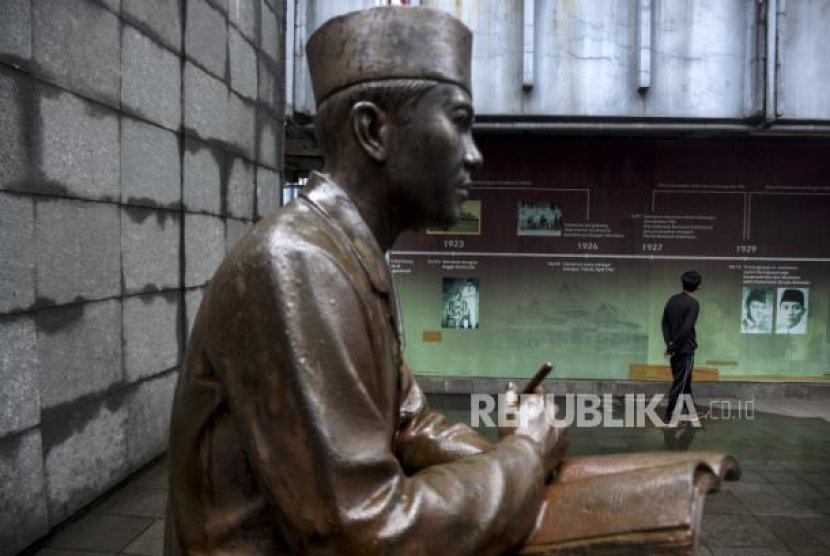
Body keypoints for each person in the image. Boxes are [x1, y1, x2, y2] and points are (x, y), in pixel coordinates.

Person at [164, 7, 567, 556]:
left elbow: (408, 423)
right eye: (460, 120)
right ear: (374, 130)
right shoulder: (295, 263)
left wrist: (519, 449)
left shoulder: (346, 255)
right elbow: (363, 531)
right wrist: (522, 459)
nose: (475, 154)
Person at [661, 271, 702, 426]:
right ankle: (670, 416)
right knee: (680, 384)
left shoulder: (672, 300)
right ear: (698, 286)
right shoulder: (693, 304)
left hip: (675, 348)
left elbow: (664, 323)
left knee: (685, 381)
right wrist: (674, 347)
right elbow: (686, 329)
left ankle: (691, 412)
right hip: (685, 350)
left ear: (682, 283)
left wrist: (670, 344)